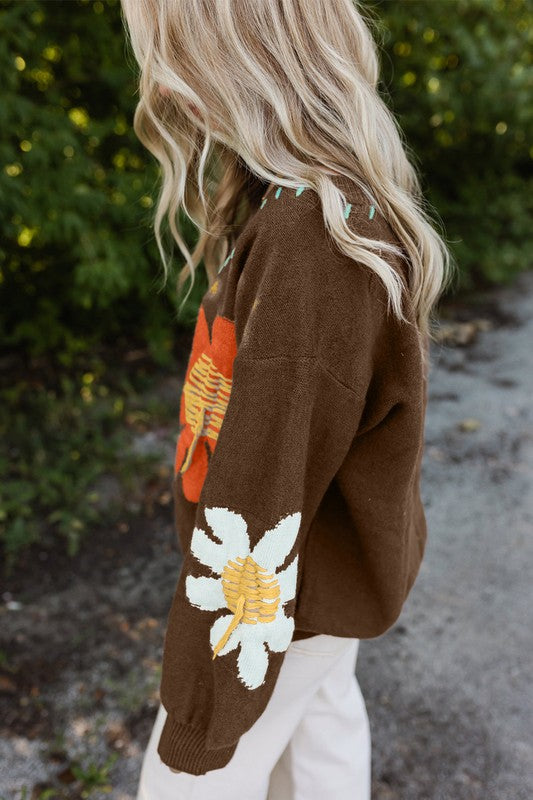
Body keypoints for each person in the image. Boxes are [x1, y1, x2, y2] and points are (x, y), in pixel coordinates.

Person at [119, 1, 455, 798]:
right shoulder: (306, 203)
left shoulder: (312, 237)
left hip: (281, 602)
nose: (162, 85)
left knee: (185, 785)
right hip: (320, 586)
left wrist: (201, 709)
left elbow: (260, 491)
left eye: (174, 55)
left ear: (244, 57)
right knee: (322, 738)